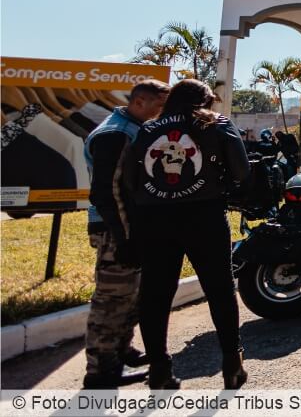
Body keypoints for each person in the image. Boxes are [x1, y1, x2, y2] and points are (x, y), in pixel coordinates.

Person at [123, 79, 250, 389]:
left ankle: (159, 369)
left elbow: (130, 178)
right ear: (205, 101)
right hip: (204, 215)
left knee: (155, 294)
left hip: (154, 218)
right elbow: (242, 172)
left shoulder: (148, 130)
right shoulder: (217, 125)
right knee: (220, 290)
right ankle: (232, 364)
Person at [82, 79, 170, 389]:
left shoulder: (130, 127)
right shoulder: (115, 135)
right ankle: (101, 371)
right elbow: (108, 193)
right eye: (159, 108)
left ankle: (121, 352)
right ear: (139, 103)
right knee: (112, 301)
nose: (162, 114)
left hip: (129, 228)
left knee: (130, 296)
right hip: (116, 230)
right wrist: (125, 238)